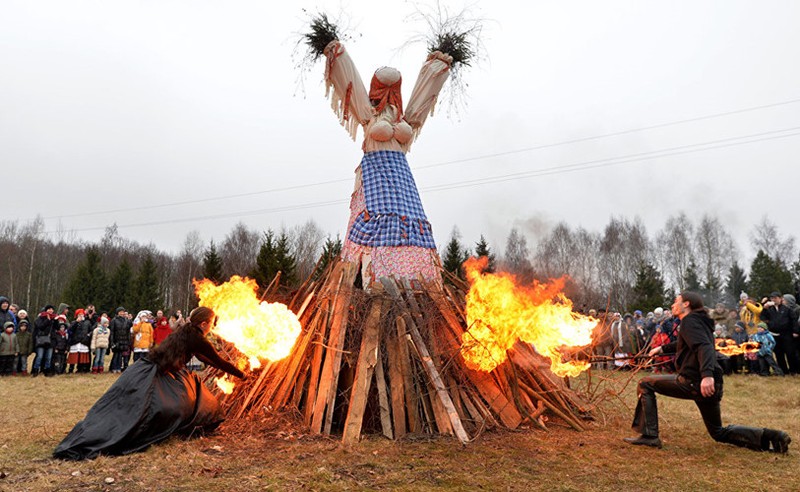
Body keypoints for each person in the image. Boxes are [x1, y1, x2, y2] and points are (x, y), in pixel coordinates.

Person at [321, 38, 453, 288]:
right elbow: (350, 82)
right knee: (376, 226)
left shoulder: (406, 116)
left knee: (411, 224)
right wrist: (336, 56)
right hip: (376, 176)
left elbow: (424, 96)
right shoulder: (368, 114)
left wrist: (437, 67)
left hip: (403, 182)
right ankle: (372, 280)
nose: (389, 93)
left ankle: (416, 279)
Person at [54, 306, 247, 460]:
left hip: (146, 369)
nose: (212, 327)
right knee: (163, 408)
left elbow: (205, 359)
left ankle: (181, 426)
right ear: (204, 323)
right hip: (158, 374)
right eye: (211, 324)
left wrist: (237, 372)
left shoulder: (186, 332)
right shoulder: (197, 337)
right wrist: (242, 375)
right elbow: (218, 361)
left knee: (131, 407)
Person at [624, 291, 791, 452]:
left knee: (645, 383)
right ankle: (770, 438)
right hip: (710, 382)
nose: (673, 305)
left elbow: (704, 347)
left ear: (686, 304)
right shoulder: (698, 321)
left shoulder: (690, 321)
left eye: (676, 301)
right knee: (718, 432)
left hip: (695, 381)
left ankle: (649, 435)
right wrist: (661, 348)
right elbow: (688, 343)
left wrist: (706, 376)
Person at [759, 291, 799, 375]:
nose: (774, 300)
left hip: (786, 334)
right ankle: (783, 371)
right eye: (772, 298)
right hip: (774, 334)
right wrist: (764, 309)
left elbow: (794, 320)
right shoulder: (769, 309)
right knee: (778, 354)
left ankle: (793, 370)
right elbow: (762, 317)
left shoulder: (787, 309)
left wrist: (795, 331)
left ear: (780, 299)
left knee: (790, 353)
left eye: (775, 298)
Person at [32, 305, 56, 377]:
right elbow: (40, 327)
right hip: (41, 341)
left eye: (52, 309)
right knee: (40, 356)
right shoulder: (40, 318)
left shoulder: (54, 318)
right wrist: (47, 320)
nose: (50, 310)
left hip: (50, 340)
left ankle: (47, 370)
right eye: (49, 309)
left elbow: (57, 327)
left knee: (48, 357)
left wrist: (55, 320)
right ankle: (35, 370)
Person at [67, 309, 92, 374]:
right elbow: (70, 330)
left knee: (82, 356)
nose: (81, 316)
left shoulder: (87, 322)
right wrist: (76, 322)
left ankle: (81, 369)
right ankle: (71, 369)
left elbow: (91, 330)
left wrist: (88, 335)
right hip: (75, 341)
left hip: (83, 341)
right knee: (74, 356)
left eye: (82, 314)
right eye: (79, 314)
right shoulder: (73, 322)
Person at [109, 307, 132, 373]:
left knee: (120, 355)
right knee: (116, 355)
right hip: (117, 340)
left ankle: (118, 367)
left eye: (123, 312)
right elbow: (112, 332)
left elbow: (128, 330)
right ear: (118, 313)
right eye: (121, 312)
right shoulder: (114, 320)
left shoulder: (126, 320)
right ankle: (113, 367)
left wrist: (128, 340)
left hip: (124, 340)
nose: (122, 313)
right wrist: (112, 342)